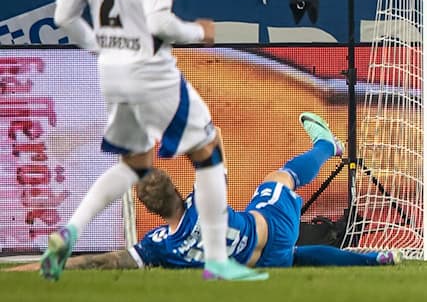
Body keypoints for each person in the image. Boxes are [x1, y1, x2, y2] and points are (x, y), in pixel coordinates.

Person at [48, 0, 263, 281]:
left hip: (110, 71)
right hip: (149, 68)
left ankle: (69, 231)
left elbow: (63, 16)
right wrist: (200, 32)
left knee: (136, 164)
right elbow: (160, 23)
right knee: (208, 149)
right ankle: (217, 261)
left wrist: (99, 45)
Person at [9, 113, 402, 272]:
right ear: (177, 188)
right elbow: (215, 147)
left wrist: (35, 266)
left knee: (298, 258)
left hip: (266, 263)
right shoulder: (203, 199)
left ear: (146, 207)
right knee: (278, 179)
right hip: (274, 229)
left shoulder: (158, 244)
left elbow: (103, 262)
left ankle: (375, 260)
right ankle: (327, 146)